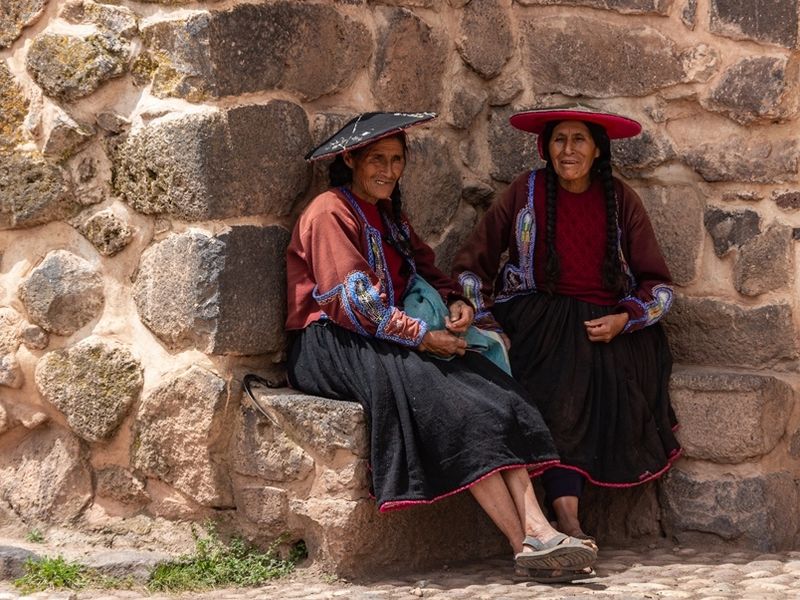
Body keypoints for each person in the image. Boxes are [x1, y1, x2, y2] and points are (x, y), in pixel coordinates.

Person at [284, 111, 597, 580]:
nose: (388, 170)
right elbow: (353, 303)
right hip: (331, 344)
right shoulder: (331, 211)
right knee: (456, 403)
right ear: (350, 159)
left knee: (498, 394)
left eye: (396, 160)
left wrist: (456, 301)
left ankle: (539, 529)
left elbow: (427, 270)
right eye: (377, 160)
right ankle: (524, 542)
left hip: (384, 336)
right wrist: (422, 338)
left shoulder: (389, 215)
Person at [452, 104, 681, 541]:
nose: (568, 149)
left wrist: (624, 318)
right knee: (555, 379)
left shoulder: (621, 200)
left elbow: (659, 286)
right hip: (536, 321)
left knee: (591, 374)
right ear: (545, 147)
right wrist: (483, 319)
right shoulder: (526, 190)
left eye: (579, 140)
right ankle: (565, 515)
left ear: (597, 150)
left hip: (607, 328)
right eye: (559, 140)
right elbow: (471, 263)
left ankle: (566, 513)